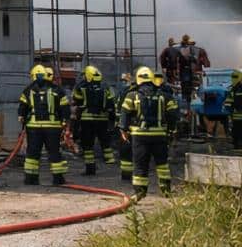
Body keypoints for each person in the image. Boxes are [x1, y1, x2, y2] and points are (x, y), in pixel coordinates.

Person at [120, 66, 177, 201]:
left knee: (140, 164)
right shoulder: (165, 96)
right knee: (162, 164)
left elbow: (125, 114)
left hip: (139, 136)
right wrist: (171, 131)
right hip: (159, 136)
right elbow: (173, 115)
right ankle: (166, 189)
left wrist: (124, 130)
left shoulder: (132, 95)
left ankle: (139, 192)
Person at [17, 64, 69, 185]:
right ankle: (58, 179)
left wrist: (22, 118)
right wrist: (64, 121)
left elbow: (22, 108)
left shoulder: (28, 90)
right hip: (52, 127)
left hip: (34, 128)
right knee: (54, 152)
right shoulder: (56, 89)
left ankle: (31, 179)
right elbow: (65, 108)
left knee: (33, 153)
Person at [70, 65, 117, 176]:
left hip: (87, 119)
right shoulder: (106, 86)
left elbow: (76, 100)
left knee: (87, 144)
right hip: (103, 118)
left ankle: (90, 167)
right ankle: (111, 161)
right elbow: (111, 102)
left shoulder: (81, 86)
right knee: (105, 141)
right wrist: (112, 117)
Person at [113, 72, 136, 181]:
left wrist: (120, 124)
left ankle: (126, 175)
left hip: (127, 127)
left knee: (126, 150)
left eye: (124, 81)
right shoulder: (141, 93)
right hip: (139, 127)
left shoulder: (125, 92)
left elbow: (120, 109)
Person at [224, 69, 242, 154]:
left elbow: (228, 103)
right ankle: (237, 147)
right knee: (236, 132)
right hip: (236, 117)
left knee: (236, 132)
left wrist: (230, 110)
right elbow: (228, 102)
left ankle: (237, 146)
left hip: (235, 117)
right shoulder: (233, 90)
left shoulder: (233, 89)